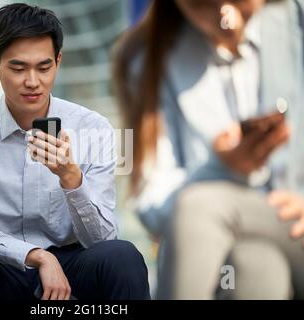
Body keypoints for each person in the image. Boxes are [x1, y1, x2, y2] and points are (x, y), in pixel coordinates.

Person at [0, 3, 150, 300]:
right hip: (1, 264)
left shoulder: (93, 128)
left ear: (58, 62)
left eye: (44, 67)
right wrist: (36, 255)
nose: (33, 82)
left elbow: (102, 238)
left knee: (121, 256)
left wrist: (71, 178)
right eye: (18, 67)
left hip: (73, 263)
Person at [114, 0, 304, 299]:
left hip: (297, 228)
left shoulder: (296, 21)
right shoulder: (143, 57)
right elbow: (146, 195)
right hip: (228, 251)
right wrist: (223, 168)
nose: (226, 17)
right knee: (256, 269)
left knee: (196, 205)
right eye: (203, 4)